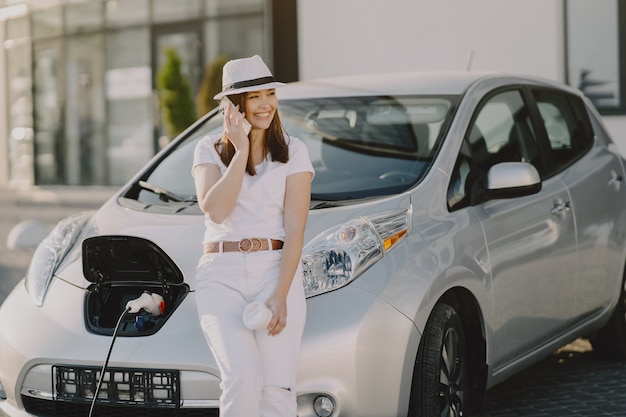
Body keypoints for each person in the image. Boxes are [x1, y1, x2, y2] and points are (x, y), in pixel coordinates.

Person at [192, 55, 314, 417]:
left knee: (276, 391)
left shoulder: (294, 152)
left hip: (274, 271)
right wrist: (240, 150)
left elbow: (295, 228)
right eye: (253, 97)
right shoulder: (208, 149)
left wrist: (280, 292)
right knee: (241, 378)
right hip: (220, 274)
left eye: (269, 94)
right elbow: (215, 210)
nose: (265, 105)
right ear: (235, 106)